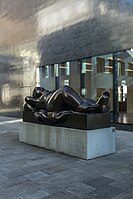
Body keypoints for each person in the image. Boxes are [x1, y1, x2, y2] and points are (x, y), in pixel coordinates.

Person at [24, 85, 110, 123]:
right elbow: (27, 99)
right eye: (38, 88)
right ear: (36, 93)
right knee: (64, 90)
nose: (41, 88)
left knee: (83, 99)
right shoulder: (39, 99)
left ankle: (98, 106)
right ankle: (82, 107)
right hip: (50, 105)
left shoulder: (50, 92)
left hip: (58, 103)